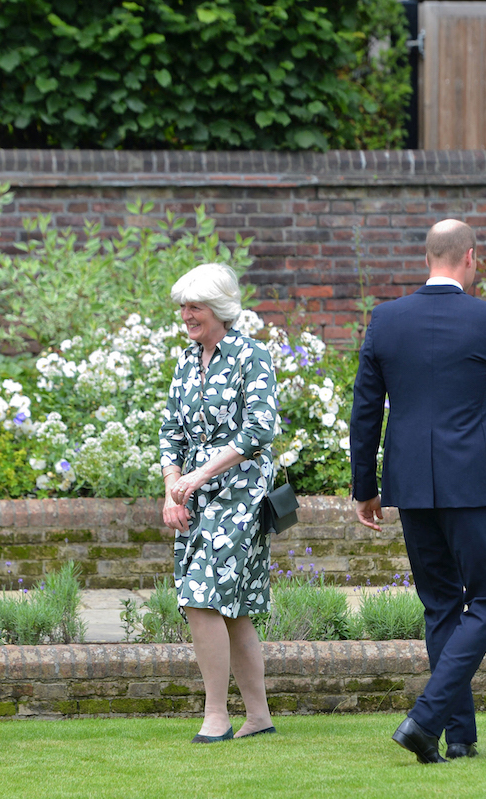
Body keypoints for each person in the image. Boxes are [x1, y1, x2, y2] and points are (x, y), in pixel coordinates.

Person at [349, 219, 486, 764]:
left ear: (429, 257)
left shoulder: (386, 320)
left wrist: (364, 488)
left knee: (440, 605)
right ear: (470, 258)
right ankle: (428, 718)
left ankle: (458, 736)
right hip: (471, 484)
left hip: (410, 485)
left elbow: (365, 409)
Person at [159, 262, 279, 743]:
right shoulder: (187, 362)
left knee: (201, 596)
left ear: (220, 309)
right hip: (194, 492)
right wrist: (174, 488)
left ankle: (216, 714)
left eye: (195, 307)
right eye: (184, 307)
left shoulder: (253, 356)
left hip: (240, 492)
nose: (186, 315)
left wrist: (199, 475)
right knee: (235, 608)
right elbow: (170, 430)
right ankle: (259, 716)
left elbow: (260, 429)